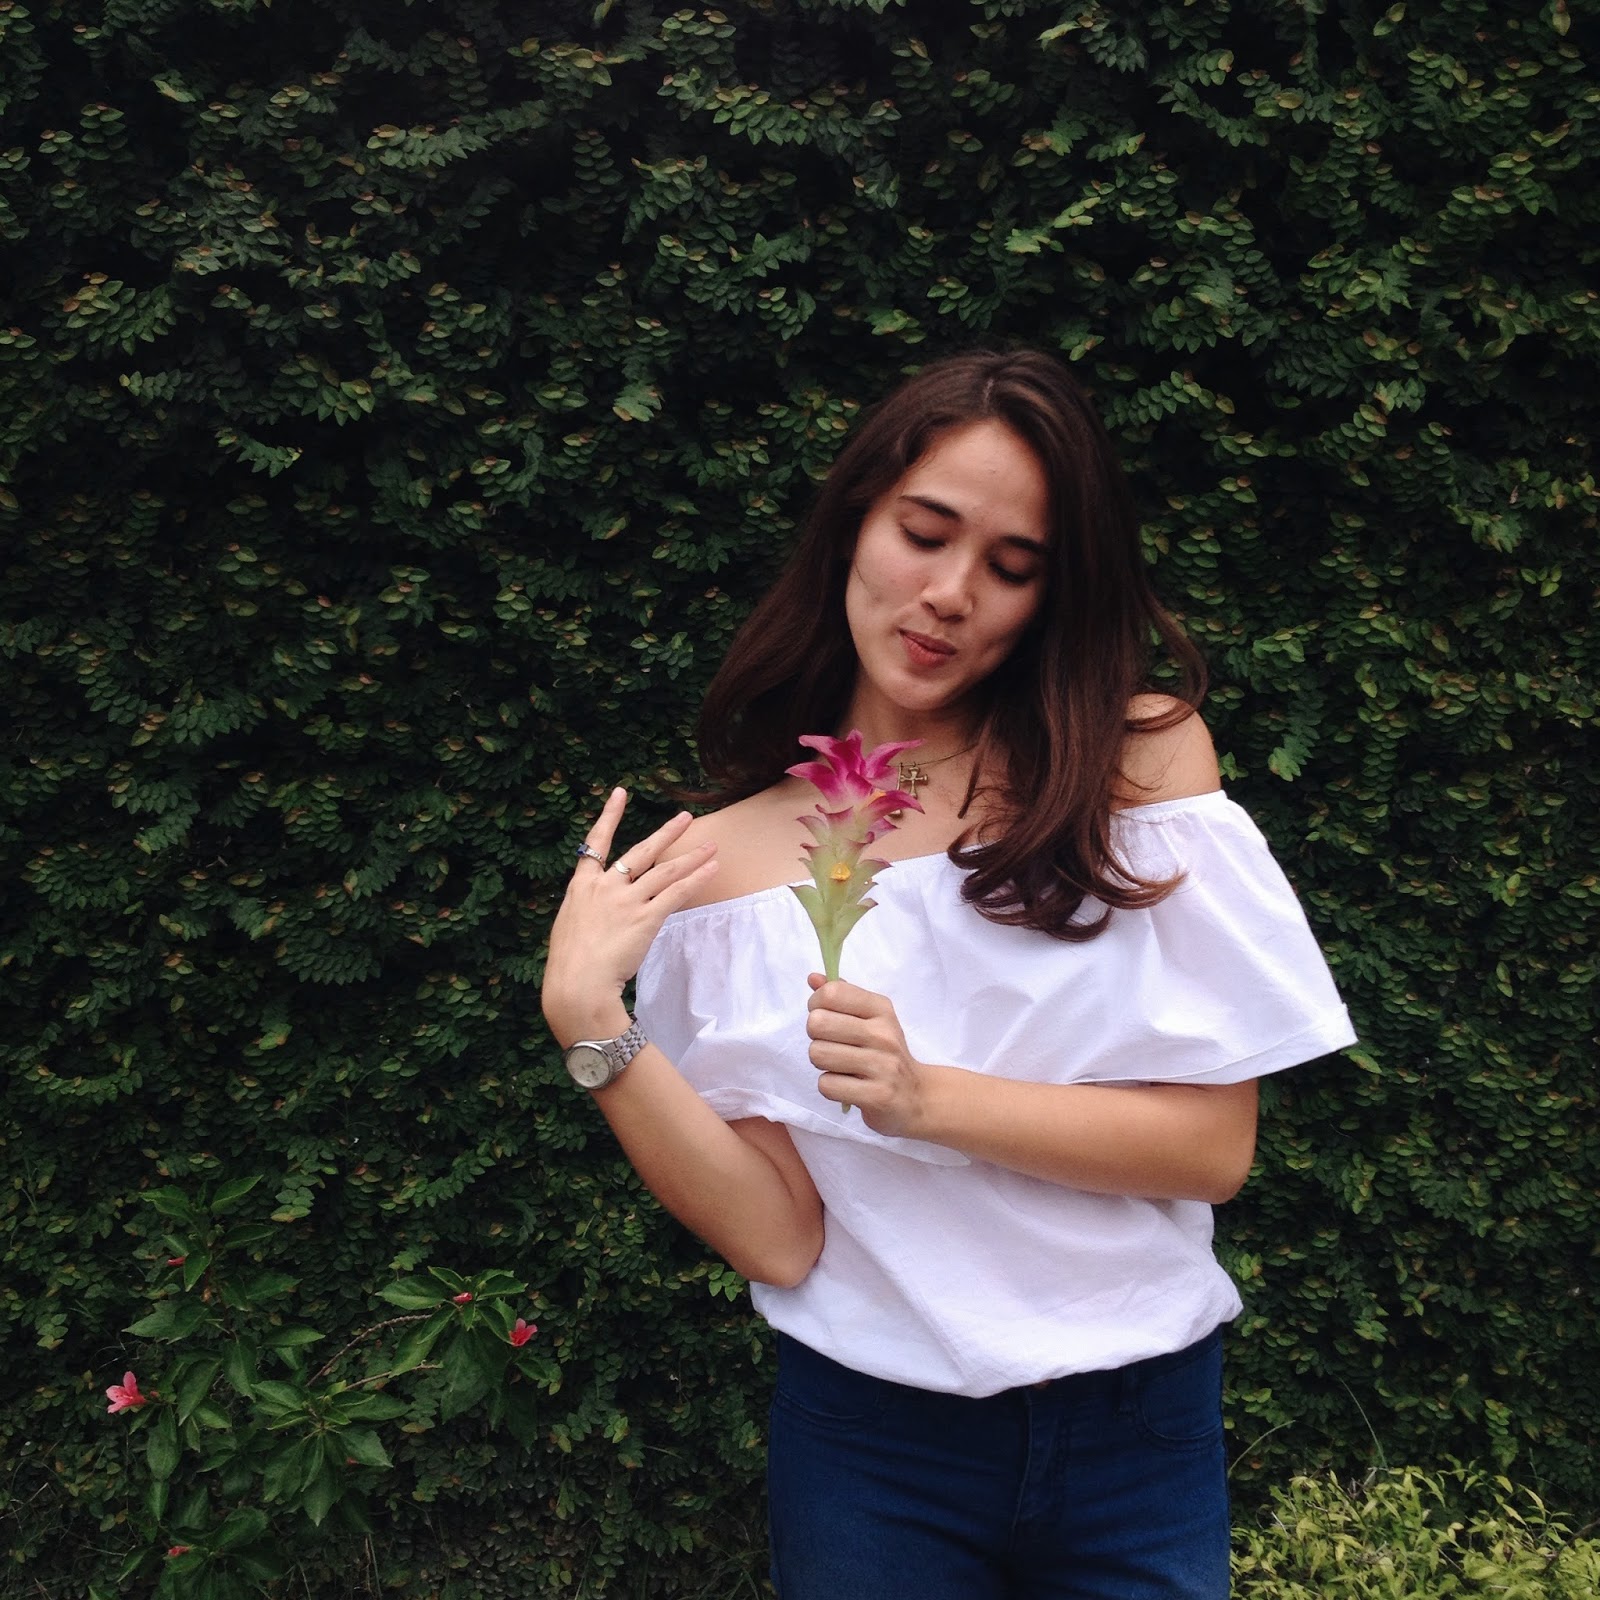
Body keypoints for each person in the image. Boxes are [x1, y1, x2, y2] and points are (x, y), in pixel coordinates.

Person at [540, 348, 1355, 1599]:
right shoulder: (725, 868)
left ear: (1050, 597)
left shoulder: (1132, 763)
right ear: (852, 523)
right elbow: (779, 1238)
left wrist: (928, 1099)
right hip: (873, 1445)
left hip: (1135, 1426)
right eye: (923, 533)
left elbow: (1209, 1149)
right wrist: (590, 1020)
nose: (950, 593)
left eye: (1012, 566)